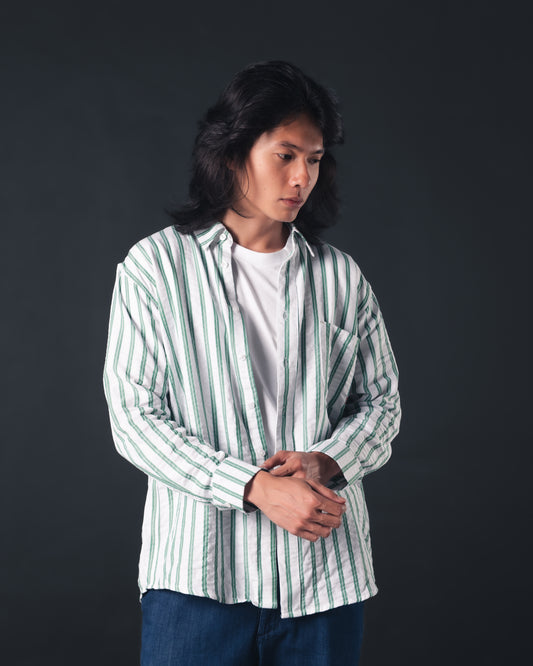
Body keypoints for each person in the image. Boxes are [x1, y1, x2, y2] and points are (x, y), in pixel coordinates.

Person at [103, 60, 401, 665]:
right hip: (197, 580)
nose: (301, 177)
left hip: (323, 582)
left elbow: (382, 406)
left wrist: (327, 461)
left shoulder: (342, 279)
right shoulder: (155, 269)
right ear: (234, 151)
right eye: (285, 155)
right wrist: (253, 487)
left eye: (314, 159)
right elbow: (135, 419)